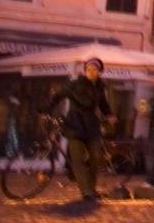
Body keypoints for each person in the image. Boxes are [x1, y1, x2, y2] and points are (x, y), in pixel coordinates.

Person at [49, 57, 116, 201]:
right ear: (85, 71)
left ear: (99, 71)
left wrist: (109, 114)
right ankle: (86, 191)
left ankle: (91, 189)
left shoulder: (100, 86)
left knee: (95, 158)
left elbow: (103, 103)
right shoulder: (75, 84)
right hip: (75, 125)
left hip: (92, 126)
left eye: (94, 69)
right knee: (77, 159)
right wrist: (47, 109)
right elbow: (59, 95)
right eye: (88, 69)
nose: (91, 72)